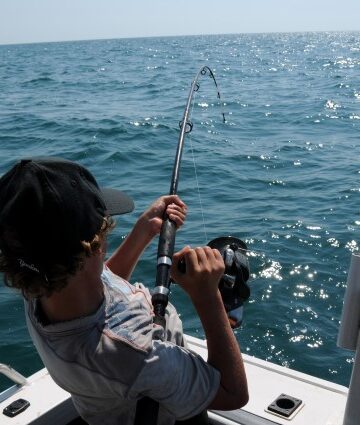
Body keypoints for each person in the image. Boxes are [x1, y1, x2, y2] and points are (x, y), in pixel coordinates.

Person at [0, 157, 248, 425]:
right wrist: (207, 296)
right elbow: (232, 394)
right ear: (94, 247)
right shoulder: (133, 354)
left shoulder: (38, 283)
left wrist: (143, 231)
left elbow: (99, 282)